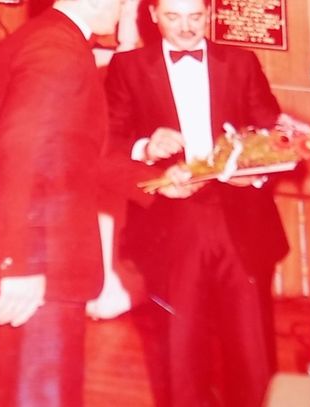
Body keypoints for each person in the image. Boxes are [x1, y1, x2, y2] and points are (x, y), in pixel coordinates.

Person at [0, 0, 122, 405]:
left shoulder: (48, 39)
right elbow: (23, 154)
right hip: (37, 270)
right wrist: (18, 266)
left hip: (17, 260)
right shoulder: (58, 49)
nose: (126, 7)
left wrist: (160, 179)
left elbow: (72, 154)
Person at [103, 0, 290, 404]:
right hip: (171, 221)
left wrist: (256, 169)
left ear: (210, 13)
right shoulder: (127, 68)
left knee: (252, 349)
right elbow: (107, 142)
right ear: (153, 15)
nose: (187, 28)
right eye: (174, 17)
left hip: (241, 219)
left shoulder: (241, 62)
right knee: (180, 348)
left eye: (196, 16)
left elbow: (272, 135)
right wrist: (145, 147)